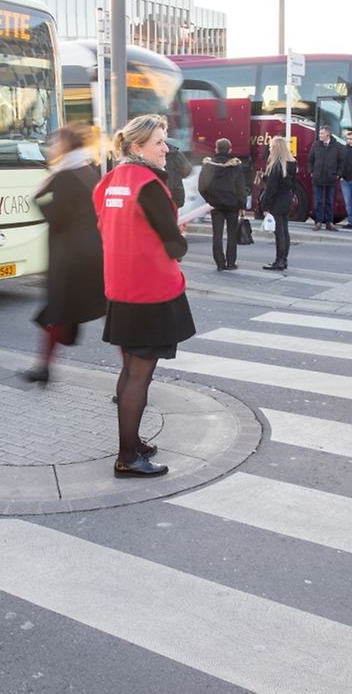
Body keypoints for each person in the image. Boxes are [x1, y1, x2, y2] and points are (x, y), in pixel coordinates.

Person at [93, 114, 195, 478]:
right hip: (151, 291)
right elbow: (173, 244)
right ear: (138, 148)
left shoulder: (109, 181)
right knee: (140, 376)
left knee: (129, 371)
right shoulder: (149, 185)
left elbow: (111, 227)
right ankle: (127, 457)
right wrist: (179, 234)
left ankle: (132, 442)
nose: (166, 149)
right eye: (159, 144)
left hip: (121, 289)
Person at [23, 123, 106, 384]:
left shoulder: (63, 176)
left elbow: (56, 218)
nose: (52, 146)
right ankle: (43, 368)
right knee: (102, 311)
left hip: (70, 258)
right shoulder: (88, 170)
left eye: (56, 142)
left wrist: (38, 196)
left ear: (66, 145)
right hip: (93, 253)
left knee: (59, 312)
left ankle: (43, 367)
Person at [198, 137, 246, 271]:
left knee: (217, 234)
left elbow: (201, 186)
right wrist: (242, 205)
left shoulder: (208, 165)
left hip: (215, 205)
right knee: (232, 234)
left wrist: (209, 199)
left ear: (216, 149)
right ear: (230, 149)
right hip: (232, 205)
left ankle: (220, 263)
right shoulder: (235, 166)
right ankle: (231, 263)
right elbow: (241, 187)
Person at [261, 135, 296, 271]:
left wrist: (265, 206)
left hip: (277, 201)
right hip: (286, 198)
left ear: (275, 148)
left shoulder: (276, 165)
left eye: (271, 147)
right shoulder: (291, 163)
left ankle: (279, 260)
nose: (269, 149)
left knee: (279, 232)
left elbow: (271, 189)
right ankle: (284, 259)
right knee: (285, 231)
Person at [307, 124, 342, 230]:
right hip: (318, 177)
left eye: (322, 133)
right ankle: (318, 222)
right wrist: (311, 172)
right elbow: (310, 160)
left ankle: (329, 222)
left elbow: (341, 161)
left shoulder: (337, 146)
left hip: (331, 178)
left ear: (328, 134)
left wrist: (338, 174)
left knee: (329, 201)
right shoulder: (316, 145)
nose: (320, 135)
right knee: (318, 201)